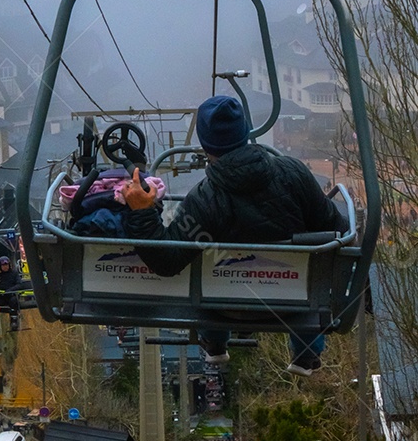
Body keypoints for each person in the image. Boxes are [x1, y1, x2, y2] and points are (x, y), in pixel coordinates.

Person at [123, 96, 349, 376]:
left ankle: (214, 342)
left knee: (204, 266)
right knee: (311, 257)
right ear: (245, 132)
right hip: (292, 303)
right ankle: (307, 351)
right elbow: (337, 229)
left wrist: (142, 212)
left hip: (226, 308)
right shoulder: (294, 174)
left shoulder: (203, 199)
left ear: (206, 145)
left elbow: (166, 262)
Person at [0, 256, 21, 335]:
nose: (5, 267)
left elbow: (19, 284)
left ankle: (14, 322)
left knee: (14, 301)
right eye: (3, 265)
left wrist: (10, 290)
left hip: (11, 295)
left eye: (6, 265)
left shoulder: (14, 273)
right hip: (0, 296)